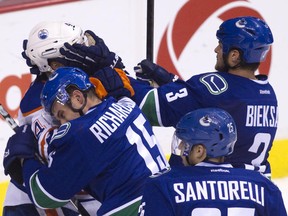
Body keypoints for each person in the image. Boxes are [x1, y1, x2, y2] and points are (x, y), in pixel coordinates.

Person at [3, 20, 129, 215]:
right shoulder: (40, 105)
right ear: (55, 65)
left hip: (94, 192)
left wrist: (112, 64)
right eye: (74, 51)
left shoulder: (86, 78)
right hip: (50, 201)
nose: (84, 53)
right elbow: (62, 165)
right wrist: (25, 161)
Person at [4, 67, 170, 216]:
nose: (62, 124)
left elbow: (45, 196)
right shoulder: (126, 104)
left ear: (77, 98)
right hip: (170, 199)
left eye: (61, 115)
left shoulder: (80, 134)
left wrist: (25, 157)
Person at [127, 16, 277, 178]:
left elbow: (151, 106)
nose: (216, 50)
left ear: (234, 56)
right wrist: (172, 84)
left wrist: (114, 72)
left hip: (217, 188)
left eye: (221, 45)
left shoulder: (215, 88)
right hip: (258, 189)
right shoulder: (267, 94)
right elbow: (212, 103)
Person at [138, 108, 287, 216]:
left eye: (184, 143)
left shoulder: (163, 185)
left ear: (199, 151)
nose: (181, 147)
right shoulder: (263, 185)